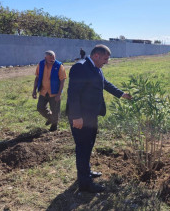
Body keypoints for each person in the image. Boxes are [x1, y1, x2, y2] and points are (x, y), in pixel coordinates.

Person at [66, 44, 132, 193]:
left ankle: (86, 173)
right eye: (105, 59)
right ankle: (85, 184)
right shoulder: (80, 67)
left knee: (88, 145)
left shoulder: (96, 67)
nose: (107, 62)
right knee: (83, 148)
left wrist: (122, 94)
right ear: (96, 56)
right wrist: (76, 117)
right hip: (81, 117)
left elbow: (105, 83)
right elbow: (73, 93)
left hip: (91, 116)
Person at [32, 50, 66, 131]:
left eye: (54, 58)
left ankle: (54, 126)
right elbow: (37, 78)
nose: (52, 60)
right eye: (50, 58)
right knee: (40, 108)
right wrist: (34, 90)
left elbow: (62, 80)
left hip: (54, 92)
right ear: (45, 58)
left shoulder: (59, 66)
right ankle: (51, 118)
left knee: (55, 110)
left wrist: (59, 94)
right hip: (43, 91)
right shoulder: (40, 64)